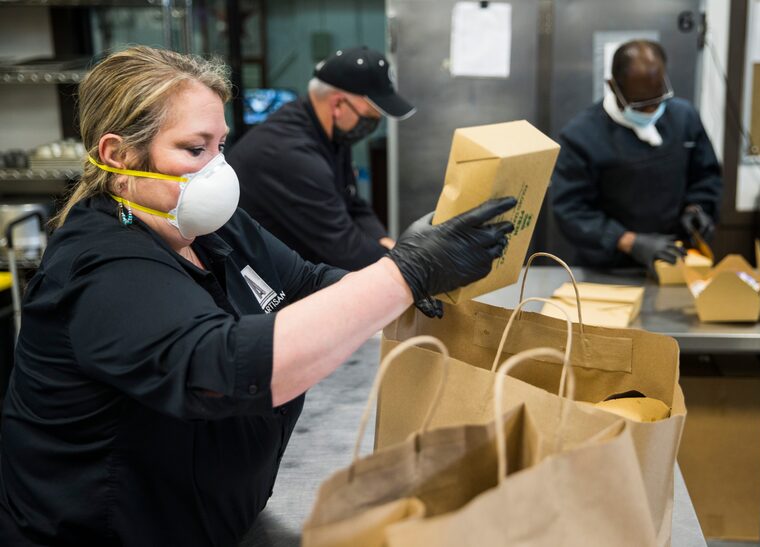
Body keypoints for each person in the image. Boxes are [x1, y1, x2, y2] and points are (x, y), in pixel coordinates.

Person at [0, 46, 515, 546]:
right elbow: (225, 369)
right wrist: (405, 274)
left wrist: (397, 292)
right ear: (119, 155)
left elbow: (308, 282)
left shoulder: (210, 228)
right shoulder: (102, 266)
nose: (216, 170)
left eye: (220, 146)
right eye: (194, 149)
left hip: (225, 522)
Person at [228, 46, 409, 271]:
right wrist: (405, 265)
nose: (373, 125)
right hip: (259, 281)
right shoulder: (290, 154)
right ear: (337, 104)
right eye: (370, 116)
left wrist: (387, 244)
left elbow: (353, 203)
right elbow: (346, 249)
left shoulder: (330, 134)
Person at [550, 40, 722, 269]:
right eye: (641, 105)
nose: (651, 111)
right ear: (613, 86)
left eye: (657, 100)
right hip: (610, 267)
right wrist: (630, 242)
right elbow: (571, 210)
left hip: (675, 259)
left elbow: (706, 175)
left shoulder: (685, 118)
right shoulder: (581, 136)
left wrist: (697, 209)